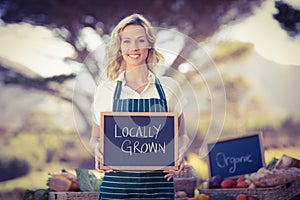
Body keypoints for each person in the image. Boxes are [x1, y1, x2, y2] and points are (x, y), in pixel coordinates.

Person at [90, 13, 189, 200]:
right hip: (116, 188)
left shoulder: (170, 88)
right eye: (127, 41)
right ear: (119, 47)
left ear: (149, 44)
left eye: (140, 40)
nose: (134, 48)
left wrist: (180, 151)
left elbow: (182, 135)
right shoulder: (105, 90)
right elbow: (95, 137)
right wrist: (97, 150)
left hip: (158, 187)